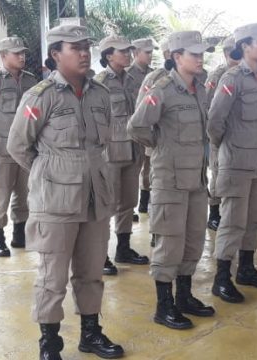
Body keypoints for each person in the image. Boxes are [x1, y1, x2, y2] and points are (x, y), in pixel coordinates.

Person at [7, 25, 124, 359]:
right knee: (52, 277)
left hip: (95, 197)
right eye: (75, 47)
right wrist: (50, 174)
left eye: (87, 46)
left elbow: (104, 142)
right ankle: (50, 342)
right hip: (55, 200)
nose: (84, 52)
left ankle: (91, 333)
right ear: (56, 54)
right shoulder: (41, 95)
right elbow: (18, 146)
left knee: (91, 272)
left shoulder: (100, 94)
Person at [129, 30, 217, 330]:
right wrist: (162, 146)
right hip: (169, 178)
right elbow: (138, 126)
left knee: (193, 240)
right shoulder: (162, 88)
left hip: (196, 178)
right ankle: (163, 306)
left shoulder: (200, 88)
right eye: (194, 54)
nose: (200, 58)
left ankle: (184, 297)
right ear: (176, 57)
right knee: (169, 242)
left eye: (201, 53)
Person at [207, 23, 257, 303]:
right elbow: (215, 121)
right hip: (236, 162)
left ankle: (246, 268)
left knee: (253, 219)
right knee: (232, 222)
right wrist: (228, 148)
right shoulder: (232, 78)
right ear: (246, 46)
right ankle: (222, 277)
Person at [0, 36, 39, 257]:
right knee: (0, 196)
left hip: (26, 149)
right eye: (16, 53)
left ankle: (19, 235)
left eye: (23, 53)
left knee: (24, 193)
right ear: (3, 56)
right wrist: (1, 131)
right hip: (2, 151)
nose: (22, 57)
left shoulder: (31, 81)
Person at [94, 35, 150, 276]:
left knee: (128, 202)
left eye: (129, 50)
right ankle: (100, 254)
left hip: (133, 149)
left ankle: (124, 248)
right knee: (106, 205)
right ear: (108, 55)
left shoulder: (134, 79)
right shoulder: (99, 83)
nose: (128, 54)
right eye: (122, 51)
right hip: (110, 153)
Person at [204, 35, 240, 232]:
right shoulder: (217, 76)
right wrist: (215, 137)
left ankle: (228, 211)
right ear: (227, 53)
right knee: (217, 173)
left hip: (237, 135)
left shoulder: (244, 73)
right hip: (219, 135)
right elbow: (208, 105)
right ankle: (214, 213)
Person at [128, 38, 158, 215]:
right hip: (131, 128)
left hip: (149, 127)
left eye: (151, 52)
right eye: (147, 52)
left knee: (149, 165)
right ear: (135, 53)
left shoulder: (155, 74)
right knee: (132, 169)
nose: (150, 55)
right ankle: (129, 206)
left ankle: (145, 200)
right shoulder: (127, 74)